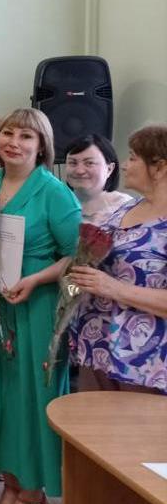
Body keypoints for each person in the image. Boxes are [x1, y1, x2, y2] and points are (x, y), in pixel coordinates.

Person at [0, 108, 82, 504]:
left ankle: (33, 497)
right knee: (0, 396)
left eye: (26, 136)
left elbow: (77, 256)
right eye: (8, 133)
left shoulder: (55, 192)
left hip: (35, 309)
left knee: (32, 398)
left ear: (42, 145)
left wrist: (36, 278)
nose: (13, 142)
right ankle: (12, 484)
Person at [70, 124, 167, 393]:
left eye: (133, 158)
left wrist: (114, 288)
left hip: (143, 363)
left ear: (159, 167)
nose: (124, 165)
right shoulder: (127, 207)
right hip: (96, 349)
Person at [64, 133, 133, 224]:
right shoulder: (55, 203)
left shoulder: (126, 207)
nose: (79, 171)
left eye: (89, 163)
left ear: (109, 169)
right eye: (73, 163)